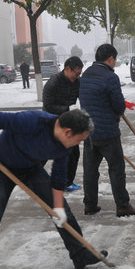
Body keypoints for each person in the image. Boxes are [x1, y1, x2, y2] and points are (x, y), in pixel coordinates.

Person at [0, 109, 107, 269]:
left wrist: (58, 208)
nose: (79, 143)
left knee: (63, 212)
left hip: (30, 168)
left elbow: (58, 177)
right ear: (68, 131)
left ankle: (81, 255)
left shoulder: (64, 145)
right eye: (79, 139)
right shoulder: (31, 121)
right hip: (0, 166)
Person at [79, 44, 135, 217]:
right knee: (116, 169)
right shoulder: (110, 77)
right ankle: (122, 206)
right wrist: (118, 109)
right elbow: (119, 105)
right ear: (110, 59)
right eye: (114, 60)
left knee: (90, 170)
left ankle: (89, 204)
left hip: (88, 132)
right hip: (108, 132)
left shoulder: (86, 75)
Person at [42, 56, 84, 192]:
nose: (77, 76)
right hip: (52, 122)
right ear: (67, 69)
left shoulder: (77, 82)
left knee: (73, 153)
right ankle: (28, 177)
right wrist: (67, 109)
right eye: (76, 73)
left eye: (79, 74)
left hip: (68, 124)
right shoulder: (53, 83)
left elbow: (84, 96)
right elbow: (48, 106)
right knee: (44, 153)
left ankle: (66, 182)